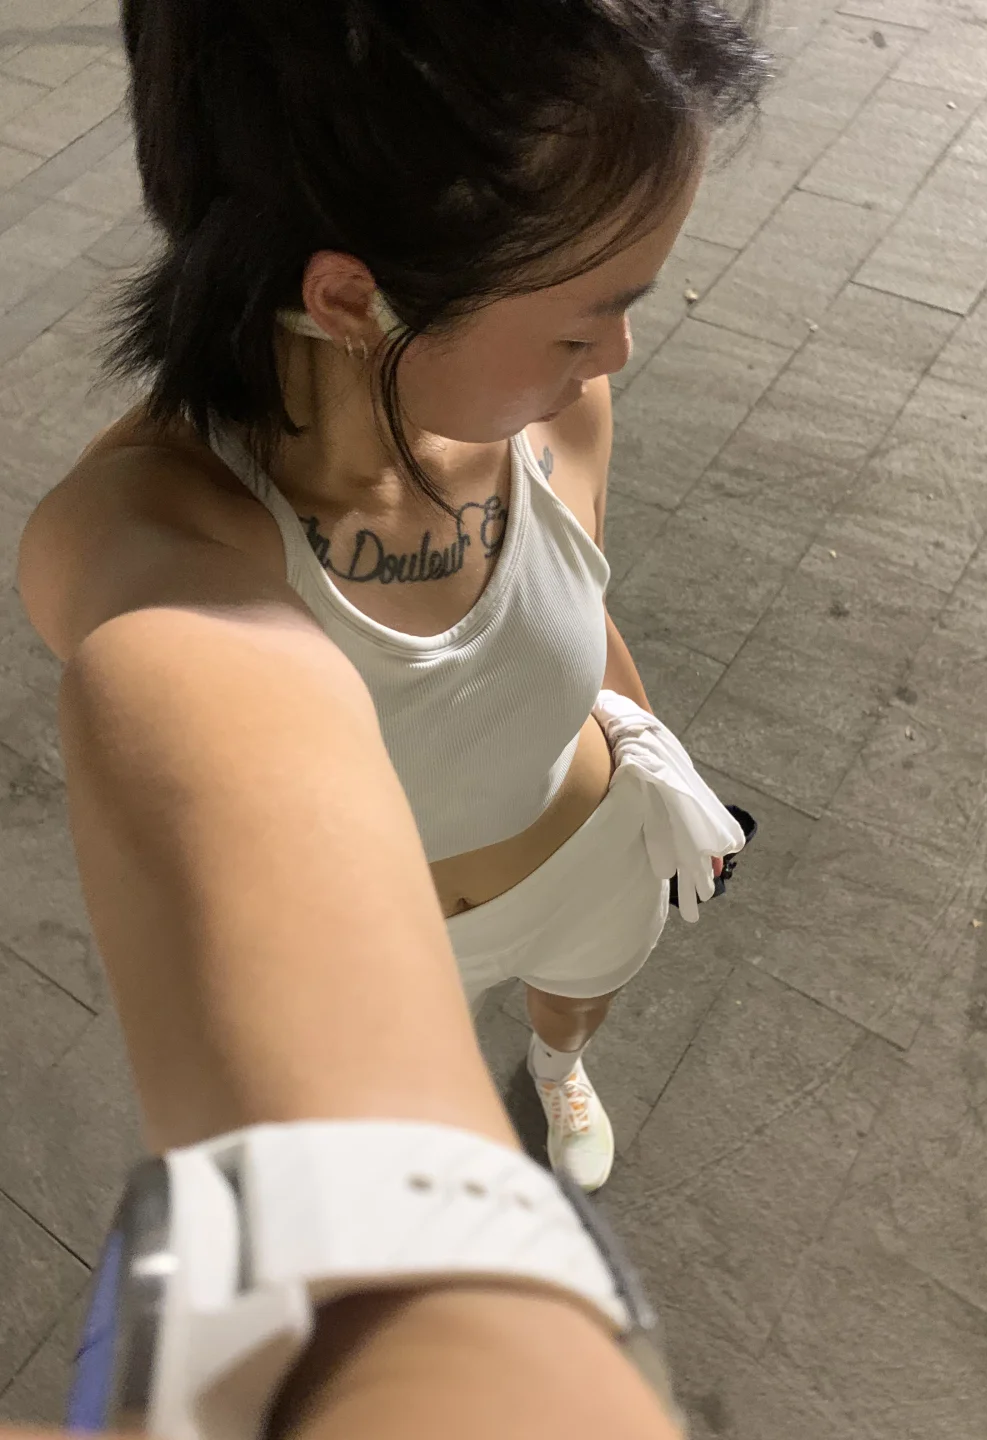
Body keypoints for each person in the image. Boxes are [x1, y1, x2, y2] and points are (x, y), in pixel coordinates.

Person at [18, 0, 766, 1200]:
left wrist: (654, 750)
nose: (616, 357)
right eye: (586, 322)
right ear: (352, 302)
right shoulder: (149, 538)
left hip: (592, 857)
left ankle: (559, 1064)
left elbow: (579, 604)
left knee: (580, 997)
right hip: (390, 953)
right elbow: (173, 703)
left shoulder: (557, 414)